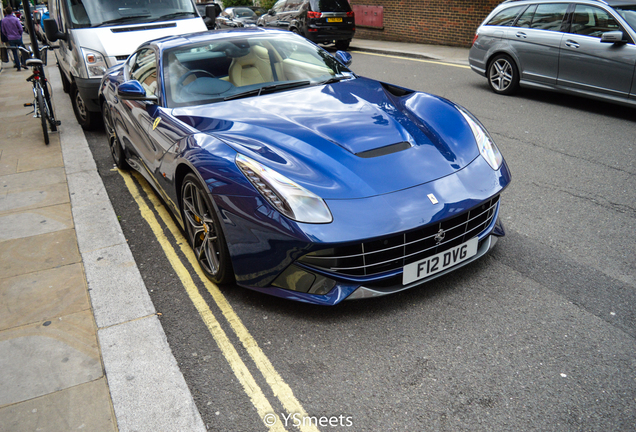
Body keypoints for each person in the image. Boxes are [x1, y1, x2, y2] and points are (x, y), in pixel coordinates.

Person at [1, 6, 27, 71]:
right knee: (22, 50)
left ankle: (18, 66)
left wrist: (7, 35)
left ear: (6, 12)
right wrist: (19, 34)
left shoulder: (3, 21)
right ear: (12, 11)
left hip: (10, 38)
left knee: (14, 52)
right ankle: (23, 62)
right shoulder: (15, 19)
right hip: (18, 37)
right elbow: (20, 28)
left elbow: (3, 30)